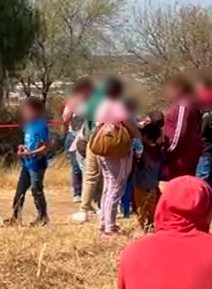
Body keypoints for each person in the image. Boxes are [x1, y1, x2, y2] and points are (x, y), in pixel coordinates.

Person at [90, 77, 139, 236]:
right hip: (118, 151)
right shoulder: (118, 105)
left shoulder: (101, 105)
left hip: (103, 149)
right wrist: (139, 140)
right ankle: (109, 228)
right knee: (116, 188)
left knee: (108, 187)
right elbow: (131, 126)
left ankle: (105, 223)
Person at [10, 96, 51, 225]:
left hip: (37, 164)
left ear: (36, 111)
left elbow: (46, 147)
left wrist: (31, 153)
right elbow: (29, 143)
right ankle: (16, 217)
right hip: (27, 164)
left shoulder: (41, 126)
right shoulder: (28, 126)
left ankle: (43, 216)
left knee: (36, 190)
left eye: (27, 110)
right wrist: (22, 148)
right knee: (20, 190)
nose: (25, 113)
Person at [71, 82, 106, 224]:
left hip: (95, 141)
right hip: (107, 142)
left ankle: (84, 209)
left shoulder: (93, 103)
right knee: (104, 177)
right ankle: (101, 207)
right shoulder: (109, 101)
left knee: (91, 177)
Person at [160, 75, 204, 181]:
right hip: (184, 154)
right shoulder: (189, 103)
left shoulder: (183, 105)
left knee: (180, 182)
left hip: (181, 156)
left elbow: (179, 132)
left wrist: (168, 150)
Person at [130, 111, 165, 231]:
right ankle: (151, 223)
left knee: (140, 206)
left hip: (140, 184)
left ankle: (141, 225)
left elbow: (137, 160)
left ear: (144, 137)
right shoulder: (159, 151)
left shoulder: (143, 151)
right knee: (152, 206)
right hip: (153, 184)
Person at [62, 78, 94, 203]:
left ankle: (90, 194)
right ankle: (78, 193)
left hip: (89, 137)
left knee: (89, 167)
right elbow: (65, 119)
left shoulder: (94, 101)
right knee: (76, 166)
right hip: (74, 136)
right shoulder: (73, 101)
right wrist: (71, 106)